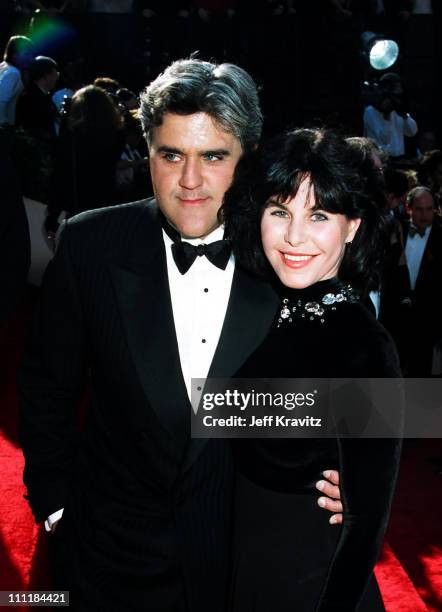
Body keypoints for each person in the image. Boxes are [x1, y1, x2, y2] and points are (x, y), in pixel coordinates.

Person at [19, 59, 343, 611]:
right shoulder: (91, 244)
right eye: (171, 155)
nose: (189, 181)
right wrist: (56, 508)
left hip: (244, 566)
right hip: (111, 559)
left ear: (247, 159)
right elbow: (47, 388)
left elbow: (362, 394)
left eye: (213, 157)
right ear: (146, 153)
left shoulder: (289, 253)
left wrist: (357, 468)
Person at [223, 127, 403, 611]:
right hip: (240, 569)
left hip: (312, 583)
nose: (294, 236)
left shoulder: (364, 345)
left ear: (352, 225)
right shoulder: (249, 302)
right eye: (280, 211)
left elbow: (366, 525)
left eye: (319, 215)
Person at [363, 73, 418, 158]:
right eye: (396, 88)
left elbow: (412, 132)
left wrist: (405, 117)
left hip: (400, 158)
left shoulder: (398, 106)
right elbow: (384, 139)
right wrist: (386, 115)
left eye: (399, 87)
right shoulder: (370, 111)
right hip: (380, 159)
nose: (400, 91)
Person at [16, 55, 60, 138]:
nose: (57, 78)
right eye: (55, 74)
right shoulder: (30, 98)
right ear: (45, 76)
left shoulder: (40, 95)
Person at [0, 35, 34, 126]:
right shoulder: (13, 73)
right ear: (14, 54)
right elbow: (1, 102)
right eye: (27, 53)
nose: (31, 58)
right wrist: (5, 127)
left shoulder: (4, 66)